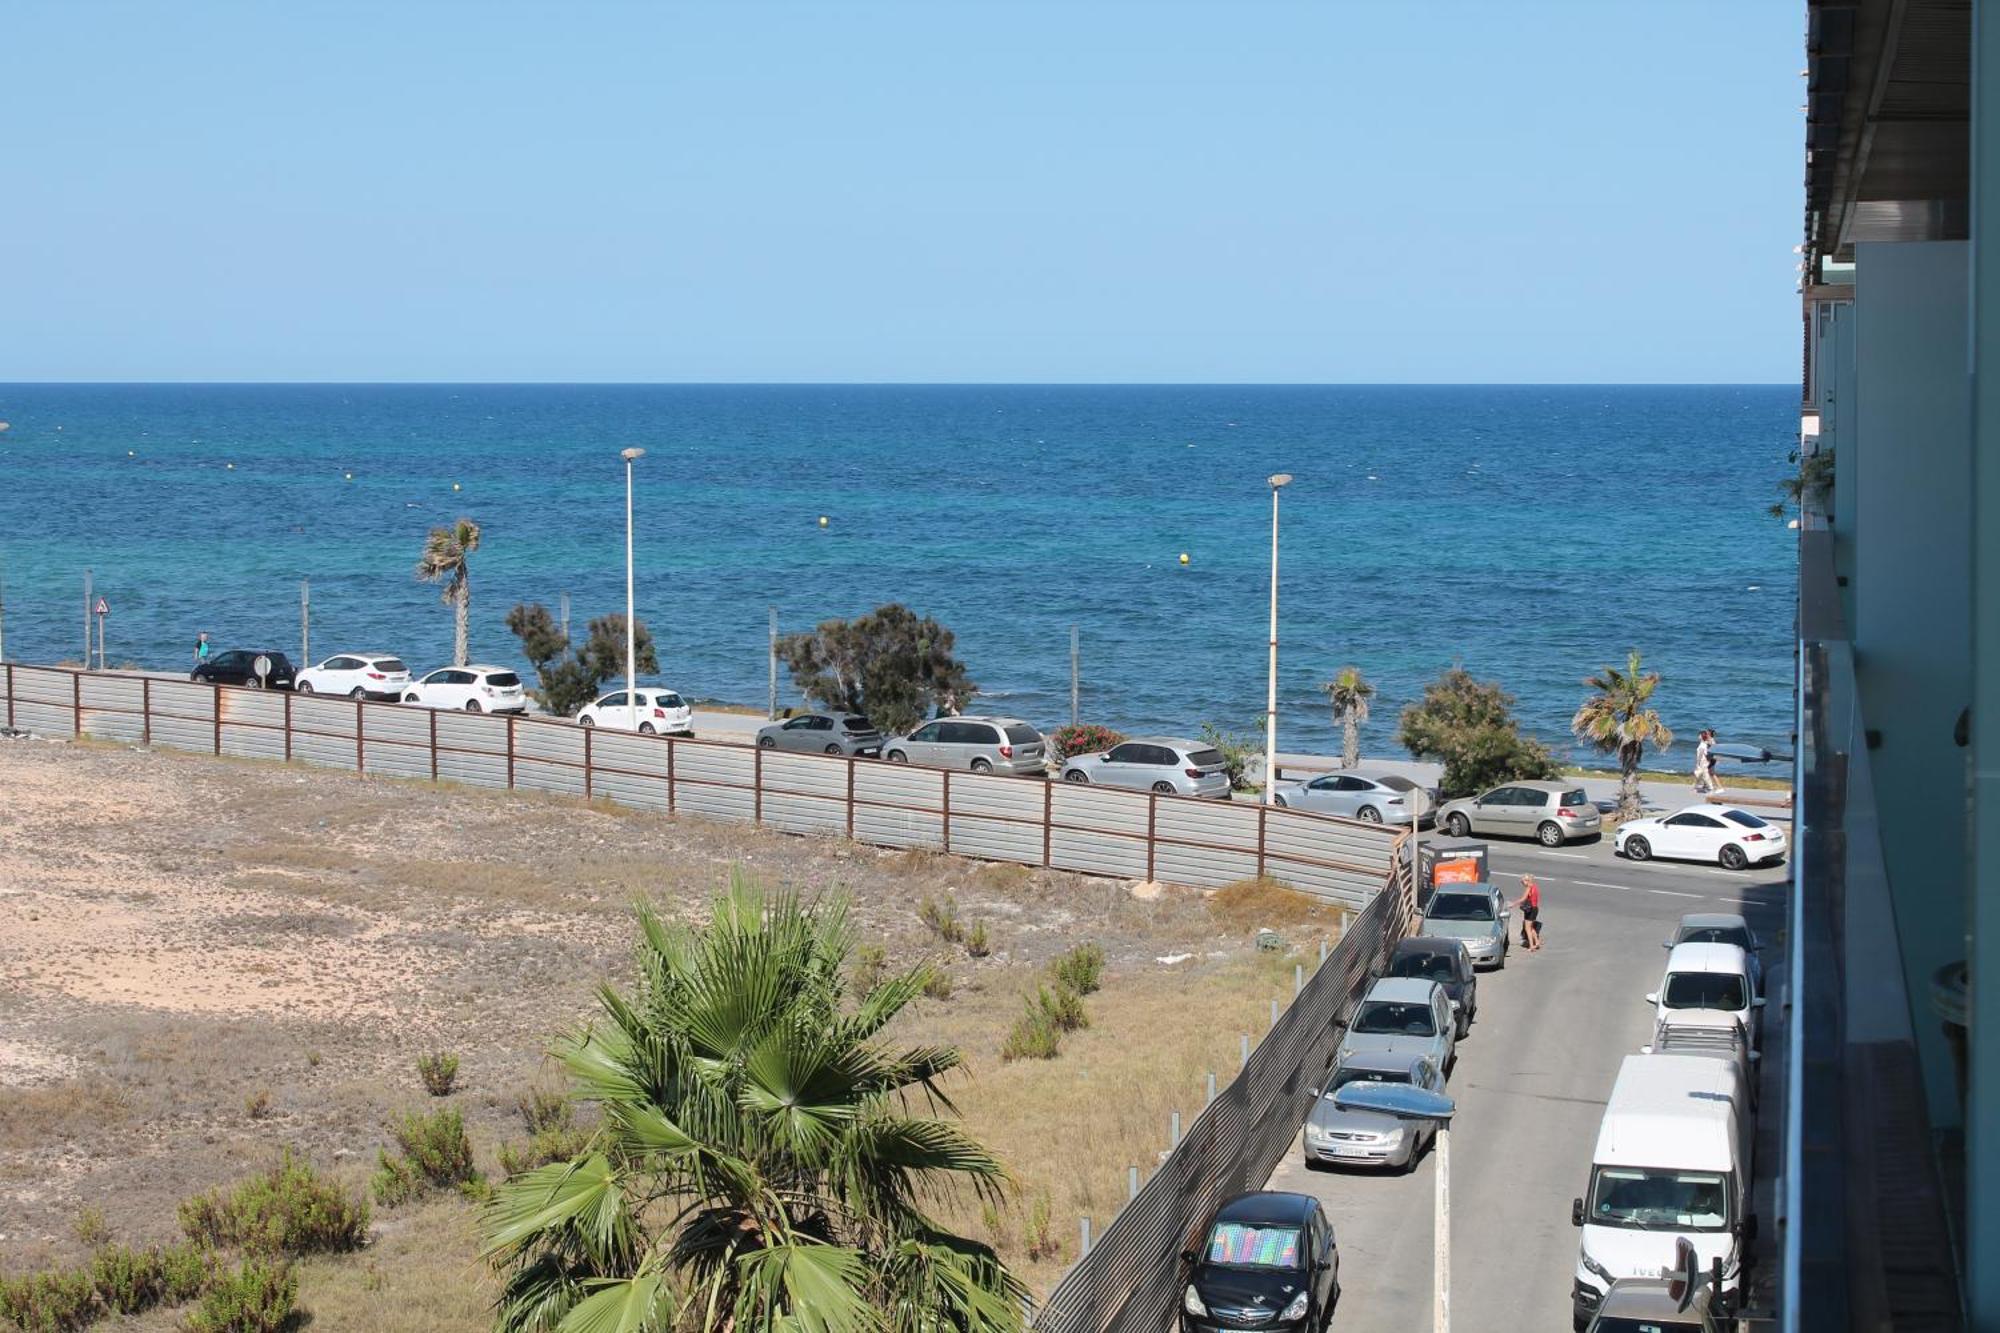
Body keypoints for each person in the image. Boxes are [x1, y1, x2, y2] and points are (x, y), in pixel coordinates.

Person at [1511, 874, 1543, 952]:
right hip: (1535, 909)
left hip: (1530, 909)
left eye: (1523, 882)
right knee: (1531, 927)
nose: (1522, 884)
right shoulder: (1535, 886)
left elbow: (1523, 898)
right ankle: (1537, 942)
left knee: (1527, 928)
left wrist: (1513, 904)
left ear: (1527, 881)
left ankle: (1531, 946)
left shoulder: (1529, 887)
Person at [1692, 728, 1714, 796]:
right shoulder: (1703, 744)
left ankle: (1710, 788)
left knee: (1701, 774)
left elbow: (1701, 754)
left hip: (1702, 762)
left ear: (1701, 736)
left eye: (1699, 735)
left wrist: (1697, 763)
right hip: (1704, 762)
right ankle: (1701, 787)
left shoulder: (1702, 745)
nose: (1698, 736)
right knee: (1701, 774)